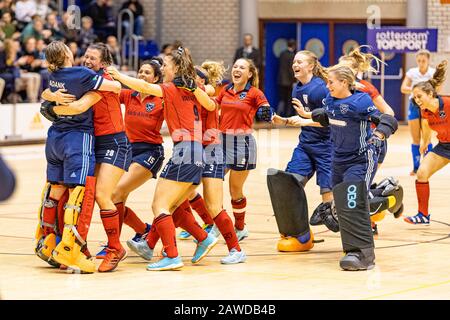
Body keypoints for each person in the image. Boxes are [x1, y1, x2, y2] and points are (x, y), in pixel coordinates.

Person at [107, 47, 219, 271]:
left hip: (185, 150)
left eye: (166, 65)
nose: (163, 67)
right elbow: (211, 104)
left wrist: (119, 76)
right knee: (175, 205)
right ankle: (203, 238)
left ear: (176, 68)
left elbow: (147, 87)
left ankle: (172, 255)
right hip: (197, 151)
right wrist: (198, 90)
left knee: (159, 205)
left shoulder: (169, 88)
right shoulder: (191, 87)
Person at [291, 65, 398, 270]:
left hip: (360, 159)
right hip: (337, 160)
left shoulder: (360, 101)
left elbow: (387, 119)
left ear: (344, 82)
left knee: (353, 201)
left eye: (330, 82)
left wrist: (379, 135)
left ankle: (362, 255)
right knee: (341, 205)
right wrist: (305, 115)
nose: (327, 85)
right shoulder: (330, 101)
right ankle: (389, 195)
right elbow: (327, 115)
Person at [42, 43, 132, 273]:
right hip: (95, 141)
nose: (88, 60)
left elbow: (78, 107)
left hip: (114, 142)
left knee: (102, 194)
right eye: (86, 56)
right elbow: (46, 94)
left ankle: (115, 248)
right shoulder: (81, 78)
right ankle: (73, 246)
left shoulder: (98, 80)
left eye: (93, 58)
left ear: (103, 63)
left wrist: (53, 107)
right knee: (86, 194)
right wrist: (50, 95)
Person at [275, 50, 333, 229]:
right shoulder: (296, 88)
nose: (295, 65)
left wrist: (305, 120)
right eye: (294, 62)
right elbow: (303, 119)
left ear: (311, 66)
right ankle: (300, 232)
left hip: (326, 146)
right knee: (290, 183)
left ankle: (357, 224)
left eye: (299, 61)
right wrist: (284, 121)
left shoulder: (321, 88)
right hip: (306, 145)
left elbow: (331, 122)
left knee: (329, 199)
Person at [218, 58, 272, 241]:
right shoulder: (225, 90)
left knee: (235, 190)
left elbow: (265, 109)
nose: (237, 69)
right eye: (235, 66)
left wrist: (266, 111)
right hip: (221, 141)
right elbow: (213, 105)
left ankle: (240, 228)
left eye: (242, 67)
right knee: (213, 182)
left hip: (242, 145)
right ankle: (215, 224)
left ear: (249, 74)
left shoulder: (255, 93)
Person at [403, 61, 449, 225]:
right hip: (444, 146)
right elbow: (426, 126)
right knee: (422, 173)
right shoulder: (425, 110)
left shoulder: (448, 104)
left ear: (431, 94)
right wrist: (425, 141)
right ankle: (423, 215)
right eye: (414, 98)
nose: (417, 100)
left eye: (419, 96)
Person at [401, 50, 435, 175]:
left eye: (423, 61)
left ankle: (428, 167)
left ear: (428, 61)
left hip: (427, 106)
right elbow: (403, 88)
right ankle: (416, 167)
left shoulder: (432, 73)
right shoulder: (412, 72)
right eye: (419, 61)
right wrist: (417, 91)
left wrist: (423, 93)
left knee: (427, 138)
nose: (421, 63)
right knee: (415, 138)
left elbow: (437, 89)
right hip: (414, 105)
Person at [277, 39, 296, 117]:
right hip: (289, 81)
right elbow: (291, 70)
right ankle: (288, 114)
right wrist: (294, 80)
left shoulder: (282, 54)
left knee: (282, 99)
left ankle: (279, 113)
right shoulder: (292, 55)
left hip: (281, 80)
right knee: (289, 99)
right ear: (294, 46)